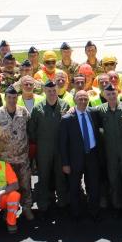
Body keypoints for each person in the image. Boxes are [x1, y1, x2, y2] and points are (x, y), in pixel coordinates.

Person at [89, 84, 122, 219]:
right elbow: (85, 110)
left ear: (117, 93)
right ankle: (117, 206)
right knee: (114, 180)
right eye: (108, 94)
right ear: (104, 95)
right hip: (110, 152)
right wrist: (72, 109)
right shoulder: (101, 110)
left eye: (113, 93)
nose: (111, 96)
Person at [0, 85, 35, 221]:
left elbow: (29, 130)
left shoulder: (23, 112)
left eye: (14, 98)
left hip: (22, 158)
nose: (12, 100)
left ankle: (27, 208)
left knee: (26, 185)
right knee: (7, 187)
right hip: (5, 159)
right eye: (9, 97)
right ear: (5, 98)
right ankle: (7, 211)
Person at [28, 80, 71, 215]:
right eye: (49, 91)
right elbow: (32, 130)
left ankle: (63, 204)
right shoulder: (38, 108)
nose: (52, 93)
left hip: (60, 149)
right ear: (44, 91)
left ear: (57, 90)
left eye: (54, 90)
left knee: (61, 177)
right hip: (44, 149)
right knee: (44, 177)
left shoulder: (65, 105)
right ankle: (43, 206)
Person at [59, 90, 103, 221]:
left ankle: (94, 210)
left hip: (92, 155)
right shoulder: (67, 119)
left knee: (94, 185)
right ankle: (76, 212)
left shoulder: (94, 113)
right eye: (80, 99)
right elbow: (63, 143)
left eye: (85, 98)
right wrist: (65, 163)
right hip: (75, 158)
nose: (83, 101)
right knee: (74, 186)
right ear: (75, 100)